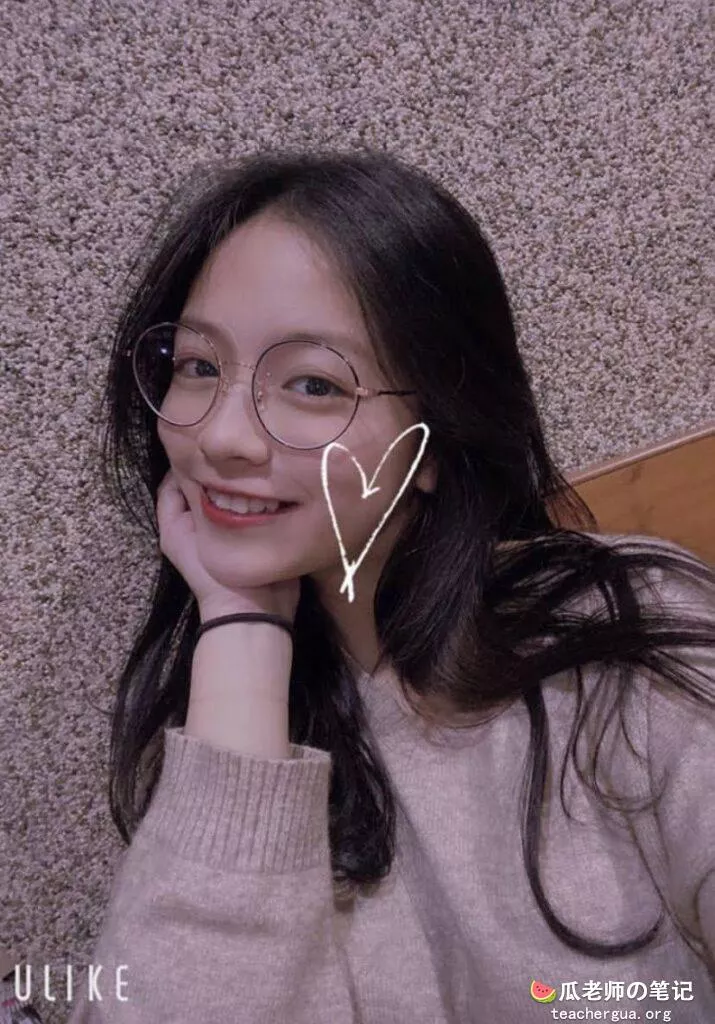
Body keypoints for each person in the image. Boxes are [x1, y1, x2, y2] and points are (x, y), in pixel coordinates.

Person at [67, 148, 714, 1023]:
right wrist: (241, 625)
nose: (220, 436)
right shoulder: (230, 719)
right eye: (198, 366)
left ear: (436, 440)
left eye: (312, 384)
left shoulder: (621, 637)